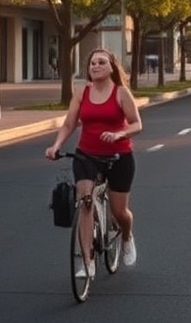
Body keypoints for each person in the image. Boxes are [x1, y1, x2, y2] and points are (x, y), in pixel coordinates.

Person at [45, 47, 143, 278]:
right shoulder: (82, 93)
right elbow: (69, 124)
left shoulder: (121, 93)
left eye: (101, 62)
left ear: (111, 67)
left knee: (120, 212)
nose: (96, 66)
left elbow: (137, 124)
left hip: (119, 157)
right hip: (86, 155)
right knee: (85, 202)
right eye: (92, 63)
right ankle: (87, 261)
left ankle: (126, 236)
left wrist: (119, 135)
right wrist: (56, 145)